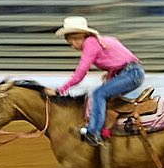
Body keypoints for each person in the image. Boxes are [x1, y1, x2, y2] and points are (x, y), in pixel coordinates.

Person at [47, 15, 145, 146]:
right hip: (132, 73)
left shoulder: (90, 43)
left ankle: (93, 132)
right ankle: (107, 130)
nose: (72, 46)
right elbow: (121, 57)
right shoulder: (99, 41)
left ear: (78, 37)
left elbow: (81, 72)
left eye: (71, 42)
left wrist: (60, 90)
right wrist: (112, 72)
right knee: (106, 98)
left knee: (98, 94)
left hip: (131, 73)